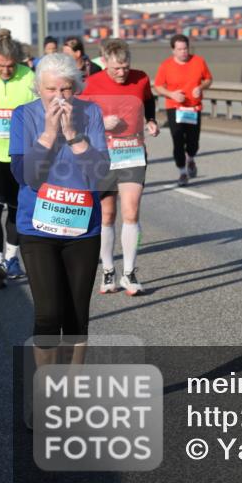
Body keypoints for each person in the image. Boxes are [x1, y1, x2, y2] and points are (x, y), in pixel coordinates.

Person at [8, 53, 110, 366]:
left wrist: (74, 137)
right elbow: (27, 176)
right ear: (39, 88)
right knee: (49, 315)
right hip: (37, 228)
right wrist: (50, 133)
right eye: (51, 90)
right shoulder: (24, 116)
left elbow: (102, 177)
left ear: (76, 88)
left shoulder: (90, 113)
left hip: (83, 228)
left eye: (65, 89)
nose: (59, 97)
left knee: (76, 316)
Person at [81, 39, 159, 296]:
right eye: (116, 68)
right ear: (105, 62)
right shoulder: (92, 83)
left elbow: (148, 100)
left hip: (133, 152)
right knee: (106, 215)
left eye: (125, 67)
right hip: (103, 155)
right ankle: (107, 270)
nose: (122, 72)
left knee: (131, 210)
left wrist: (151, 120)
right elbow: (79, 115)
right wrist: (102, 122)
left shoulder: (141, 78)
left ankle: (129, 272)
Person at [0, 30, 37, 288]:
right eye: (1, 66)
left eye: (11, 66)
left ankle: (12, 258)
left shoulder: (29, 77)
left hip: (20, 155)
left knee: (16, 211)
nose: (6, 71)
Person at [154, 34, 212, 187]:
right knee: (178, 140)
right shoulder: (166, 66)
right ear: (173, 50)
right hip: (175, 108)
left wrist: (200, 87)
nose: (183, 52)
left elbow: (208, 79)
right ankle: (182, 173)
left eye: (185, 48)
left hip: (193, 108)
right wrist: (171, 94)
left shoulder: (199, 61)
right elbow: (158, 86)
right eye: (179, 49)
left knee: (193, 143)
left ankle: (191, 159)